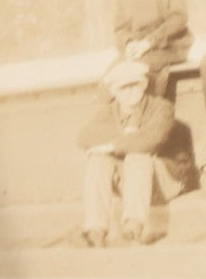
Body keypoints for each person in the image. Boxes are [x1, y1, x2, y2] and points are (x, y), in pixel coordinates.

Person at [76, 60, 196, 247]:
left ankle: (134, 225)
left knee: (137, 155)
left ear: (144, 85)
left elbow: (152, 140)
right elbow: (84, 137)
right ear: (114, 93)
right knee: (98, 159)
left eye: (135, 85)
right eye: (124, 88)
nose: (131, 92)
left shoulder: (161, 107)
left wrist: (114, 144)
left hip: (166, 182)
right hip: (131, 182)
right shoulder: (109, 112)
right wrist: (125, 137)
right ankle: (95, 229)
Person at [112, 0, 193, 101]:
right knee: (111, 78)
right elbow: (120, 28)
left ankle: (151, 118)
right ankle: (121, 124)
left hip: (170, 46)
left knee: (140, 73)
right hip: (137, 51)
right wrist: (128, 44)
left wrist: (149, 42)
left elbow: (179, 17)